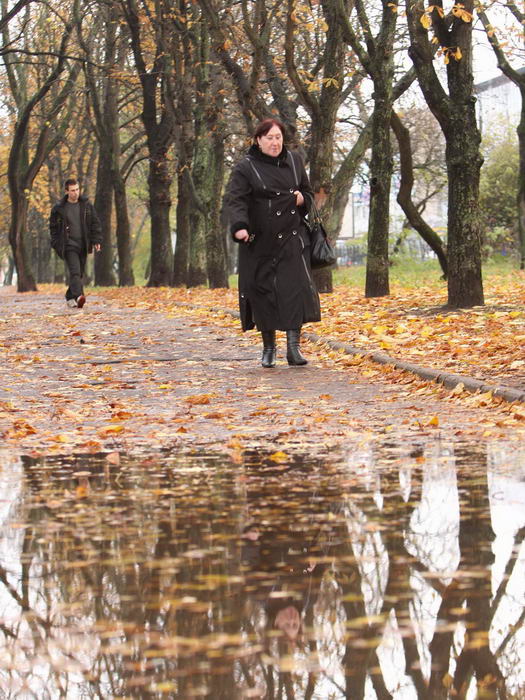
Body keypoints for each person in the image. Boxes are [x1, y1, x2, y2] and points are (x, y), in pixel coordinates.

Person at [225, 118, 321, 367]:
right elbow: (236, 200)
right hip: (261, 240)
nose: (275, 142)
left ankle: (294, 348)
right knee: (263, 293)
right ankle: (269, 348)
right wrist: (240, 227)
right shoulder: (246, 167)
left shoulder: (295, 161)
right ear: (258, 140)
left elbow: (308, 192)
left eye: (278, 137)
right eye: (269, 138)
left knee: (294, 291)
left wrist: (302, 200)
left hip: (292, 238)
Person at [49, 178, 102, 308]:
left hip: (83, 244)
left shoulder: (86, 205)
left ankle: (69, 296)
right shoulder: (59, 208)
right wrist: (56, 243)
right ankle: (79, 296)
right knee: (75, 271)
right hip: (68, 245)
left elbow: (95, 223)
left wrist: (96, 240)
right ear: (66, 191)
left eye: (77, 189)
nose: (76, 193)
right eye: (72, 190)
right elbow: (53, 228)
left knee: (79, 274)